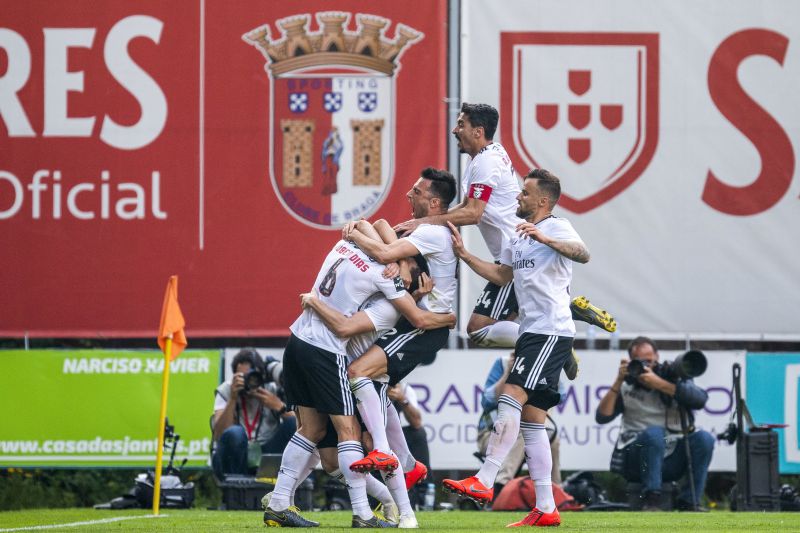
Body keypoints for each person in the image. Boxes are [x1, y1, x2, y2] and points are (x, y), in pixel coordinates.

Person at [393, 102, 614, 370]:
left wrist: (423, 222)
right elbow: (466, 207)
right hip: (513, 252)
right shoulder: (482, 159)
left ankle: (555, 338)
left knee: (478, 329)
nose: (455, 130)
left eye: (461, 124)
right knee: (508, 320)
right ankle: (559, 327)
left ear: (478, 131)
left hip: (514, 254)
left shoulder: (486, 162)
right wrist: (427, 224)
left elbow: (474, 214)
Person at [263, 227, 454, 528]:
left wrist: (315, 301)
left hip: (297, 341)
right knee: (351, 433)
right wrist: (448, 317)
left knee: (311, 431)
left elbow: (369, 223)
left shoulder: (346, 246)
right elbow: (415, 319)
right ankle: (365, 513)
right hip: (327, 353)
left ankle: (279, 502)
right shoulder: (387, 282)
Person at [443, 168, 590, 527]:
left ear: (542, 200)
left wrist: (546, 238)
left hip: (549, 332)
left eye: (524, 193)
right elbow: (502, 276)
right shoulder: (517, 235)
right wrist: (465, 255)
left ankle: (485, 478)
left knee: (510, 396)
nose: (518, 198)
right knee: (533, 422)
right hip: (532, 332)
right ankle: (546, 507)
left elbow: (582, 253)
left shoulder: (556, 226)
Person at [341, 167, 457, 478]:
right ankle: (407, 464)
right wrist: (401, 263)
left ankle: (382, 450)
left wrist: (353, 233)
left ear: (434, 203)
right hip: (417, 321)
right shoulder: (421, 229)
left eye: (417, 192)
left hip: (424, 326)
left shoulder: (432, 232)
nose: (409, 195)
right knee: (376, 386)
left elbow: (380, 247)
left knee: (358, 372)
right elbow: (379, 224)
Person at [595, 336, 715, 511]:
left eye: (650, 361)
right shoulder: (628, 384)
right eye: (641, 362)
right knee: (655, 434)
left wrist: (661, 384)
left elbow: (700, 400)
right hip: (636, 457)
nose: (647, 366)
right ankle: (652, 500)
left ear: (657, 357)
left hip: (671, 456)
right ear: (631, 361)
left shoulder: (672, 376)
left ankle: (690, 501)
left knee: (705, 439)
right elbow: (602, 417)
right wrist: (618, 380)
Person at [477, 353, 562, 501]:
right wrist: (508, 373)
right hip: (492, 433)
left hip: (524, 431)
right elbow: (487, 400)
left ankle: (555, 493)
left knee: (551, 439)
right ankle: (499, 487)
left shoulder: (546, 362)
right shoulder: (503, 363)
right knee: (524, 433)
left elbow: (561, 395)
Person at [211, 348, 296, 480]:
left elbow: (301, 426)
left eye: (253, 376)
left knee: (292, 423)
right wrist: (233, 399)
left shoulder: (272, 388)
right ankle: (236, 487)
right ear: (235, 376)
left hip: (269, 451)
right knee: (235, 433)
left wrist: (278, 406)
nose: (249, 381)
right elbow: (219, 434)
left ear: (261, 375)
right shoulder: (227, 390)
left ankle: (291, 481)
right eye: (244, 377)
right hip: (238, 453)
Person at [387, 382, 430, 506]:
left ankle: (424, 493)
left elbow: (417, 422)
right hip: (367, 434)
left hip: (390, 434)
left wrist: (402, 399)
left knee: (418, 434)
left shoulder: (402, 387)